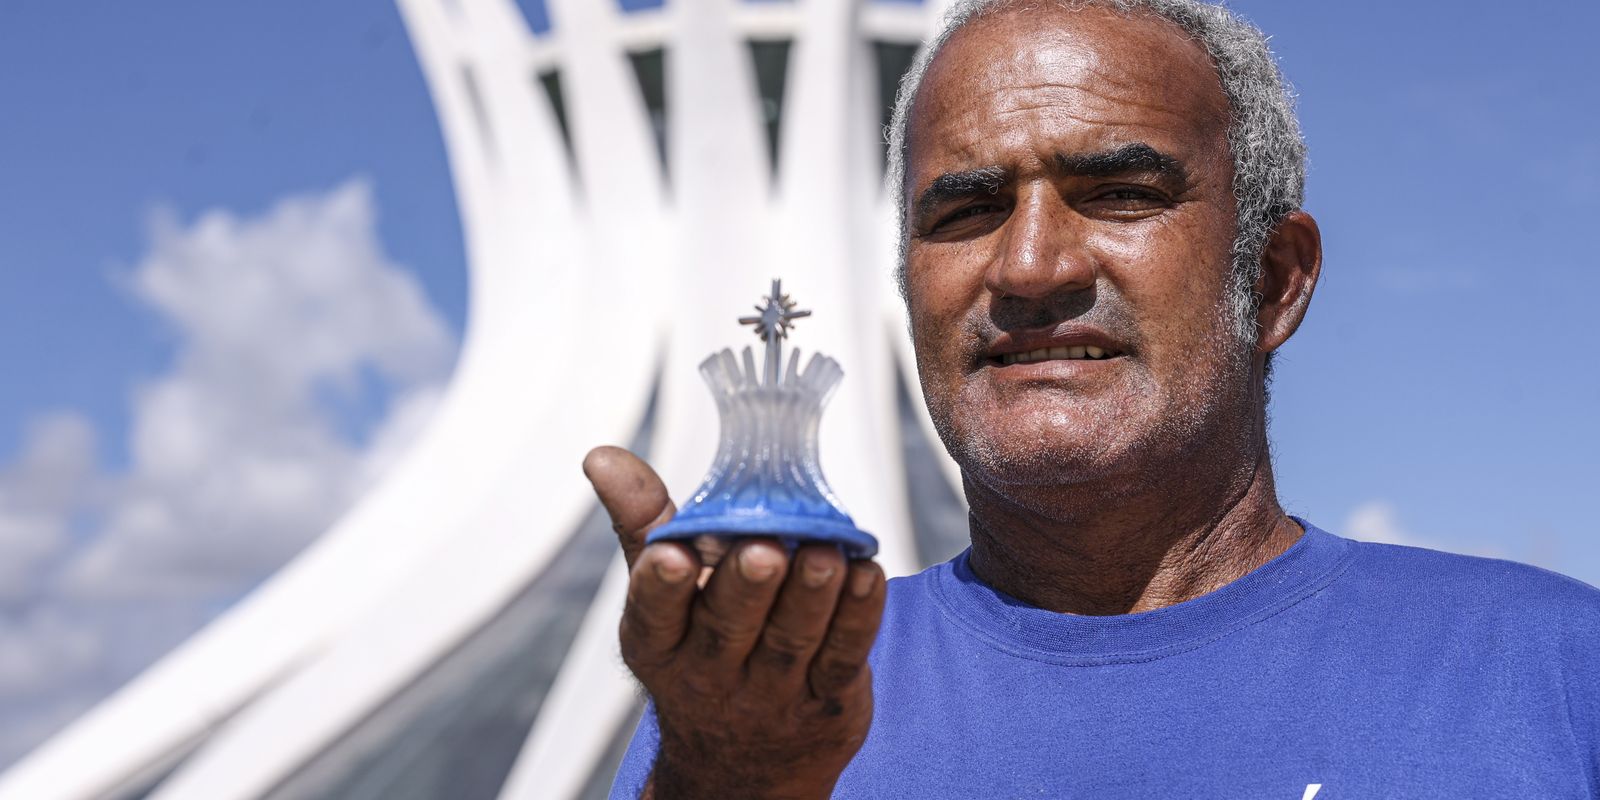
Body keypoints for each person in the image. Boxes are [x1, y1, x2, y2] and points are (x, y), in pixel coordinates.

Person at [584, 0, 1600, 797]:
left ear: (1272, 278)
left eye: (1120, 193)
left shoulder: (1547, 674)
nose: (1028, 264)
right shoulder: (777, 694)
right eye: (967, 208)